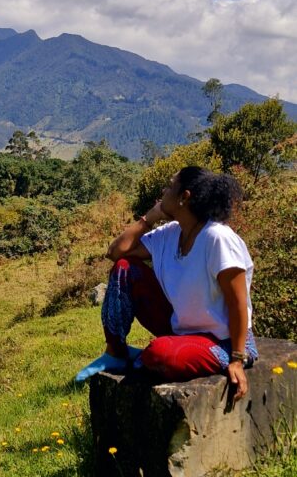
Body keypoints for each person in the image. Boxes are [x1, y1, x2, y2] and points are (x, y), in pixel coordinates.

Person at [75, 166, 257, 400]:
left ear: (184, 197)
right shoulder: (171, 233)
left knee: (159, 355)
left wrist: (237, 358)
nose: (164, 190)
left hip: (222, 341)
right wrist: (150, 217)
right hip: (180, 326)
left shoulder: (218, 239)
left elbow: (238, 304)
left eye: (170, 186)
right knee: (125, 268)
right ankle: (116, 352)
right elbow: (116, 252)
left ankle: (149, 356)